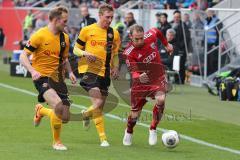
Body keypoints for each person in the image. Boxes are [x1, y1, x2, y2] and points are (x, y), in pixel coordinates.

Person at [20, 6, 77, 151]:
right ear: (56, 20)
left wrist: (70, 73)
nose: (66, 23)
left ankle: (41, 110)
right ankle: (57, 142)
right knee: (58, 106)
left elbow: (64, 59)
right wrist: (32, 71)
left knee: (65, 117)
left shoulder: (65, 38)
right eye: (64, 21)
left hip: (58, 78)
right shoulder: (39, 35)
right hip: (41, 77)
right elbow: (23, 55)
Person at [73, 3, 120, 147]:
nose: (109, 20)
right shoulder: (87, 30)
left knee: (100, 107)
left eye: (112, 17)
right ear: (100, 15)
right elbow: (75, 49)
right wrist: (85, 53)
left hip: (105, 73)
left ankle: (86, 114)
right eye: (107, 17)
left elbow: (116, 54)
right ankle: (103, 138)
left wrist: (116, 67)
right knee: (98, 103)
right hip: (90, 71)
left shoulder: (114, 33)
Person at [122, 24, 173, 146]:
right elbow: (133, 71)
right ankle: (129, 131)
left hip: (157, 77)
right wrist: (138, 76)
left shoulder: (150, 36)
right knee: (135, 114)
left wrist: (166, 44)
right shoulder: (128, 52)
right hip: (140, 83)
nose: (140, 41)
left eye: (141, 38)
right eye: (136, 39)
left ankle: (153, 128)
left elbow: (157, 31)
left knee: (161, 98)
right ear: (130, 37)